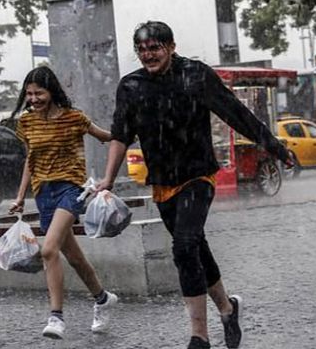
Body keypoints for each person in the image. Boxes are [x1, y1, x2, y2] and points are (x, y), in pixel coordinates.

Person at [96, 21, 292, 349]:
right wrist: (108, 180)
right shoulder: (131, 86)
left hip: (198, 176)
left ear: (171, 47)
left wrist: (273, 146)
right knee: (196, 247)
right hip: (162, 182)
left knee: (184, 246)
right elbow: (121, 134)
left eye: (155, 48)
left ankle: (198, 336)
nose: (148, 55)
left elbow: (235, 113)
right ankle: (228, 309)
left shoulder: (196, 75)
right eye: (142, 50)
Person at [9, 66, 117, 340]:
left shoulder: (74, 118)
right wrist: (21, 196)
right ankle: (103, 298)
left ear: (52, 91)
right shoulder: (26, 122)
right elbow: (30, 161)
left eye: (39, 93)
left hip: (71, 189)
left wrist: (133, 132)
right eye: (29, 94)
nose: (33, 99)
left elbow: (106, 136)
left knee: (48, 250)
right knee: (75, 257)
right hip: (44, 193)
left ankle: (56, 317)